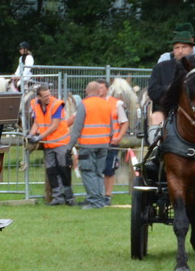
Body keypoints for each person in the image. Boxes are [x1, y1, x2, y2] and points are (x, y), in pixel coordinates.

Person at [70, 80, 123, 208]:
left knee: (88, 172)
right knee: (99, 173)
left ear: (86, 91)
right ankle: (99, 199)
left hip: (88, 144)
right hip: (104, 144)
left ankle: (94, 201)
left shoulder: (84, 104)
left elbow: (77, 128)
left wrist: (69, 145)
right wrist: (109, 140)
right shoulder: (105, 104)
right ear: (98, 90)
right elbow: (111, 127)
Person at [26, 82, 73, 204]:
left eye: (49, 95)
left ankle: (69, 197)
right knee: (51, 171)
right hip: (48, 144)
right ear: (39, 97)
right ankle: (58, 198)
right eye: (45, 96)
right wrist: (31, 134)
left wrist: (39, 137)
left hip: (61, 142)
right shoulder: (35, 105)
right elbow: (37, 122)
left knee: (64, 170)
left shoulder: (57, 104)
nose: (48, 97)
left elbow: (55, 125)